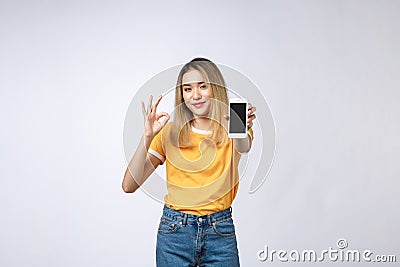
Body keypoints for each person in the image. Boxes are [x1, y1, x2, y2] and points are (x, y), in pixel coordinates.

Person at [122, 58, 256, 267]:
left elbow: (244, 146)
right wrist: (147, 138)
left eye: (203, 86)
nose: (195, 95)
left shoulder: (232, 128)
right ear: (181, 94)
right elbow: (129, 185)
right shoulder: (169, 132)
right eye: (187, 89)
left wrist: (239, 126)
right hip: (175, 233)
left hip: (220, 232)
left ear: (216, 88)